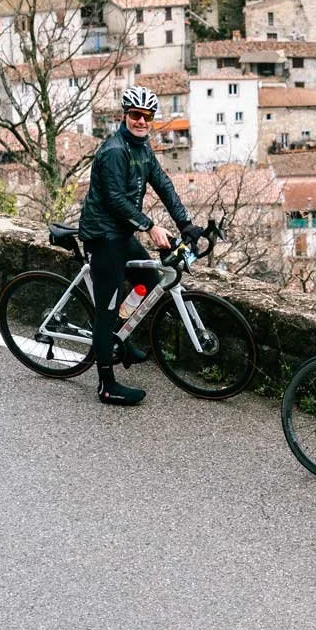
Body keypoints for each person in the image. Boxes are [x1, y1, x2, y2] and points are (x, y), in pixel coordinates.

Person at [78, 85, 203, 406]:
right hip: (102, 235)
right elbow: (116, 199)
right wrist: (150, 227)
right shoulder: (115, 151)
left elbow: (163, 184)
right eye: (136, 115)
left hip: (121, 233)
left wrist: (185, 223)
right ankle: (106, 384)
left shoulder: (143, 148)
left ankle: (119, 334)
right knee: (106, 309)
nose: (142, 121)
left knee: (148, 281)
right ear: (125, 116)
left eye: (147, 117)